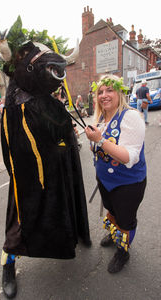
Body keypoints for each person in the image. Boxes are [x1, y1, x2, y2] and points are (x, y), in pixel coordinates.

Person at [0, 25, 91, 299]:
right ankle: (8, 264)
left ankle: (74, 233)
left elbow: (64, 131)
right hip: (26, 179)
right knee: (18, 220)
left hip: (56, 171)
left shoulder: (49, 102)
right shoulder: (14, 100)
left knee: (62, 205)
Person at [85, 74, 146, 273]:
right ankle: (113, 235)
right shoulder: (102, 119)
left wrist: (100, 140)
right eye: (100, 92)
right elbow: (97, 149)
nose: (104, 95)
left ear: (119, 93)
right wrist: (93, 141)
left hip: (128, 183)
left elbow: (128, 157)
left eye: (109, 90)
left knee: (125, 220)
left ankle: (123, 251)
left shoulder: (131, 116)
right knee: (112, 212)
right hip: (105, 180)